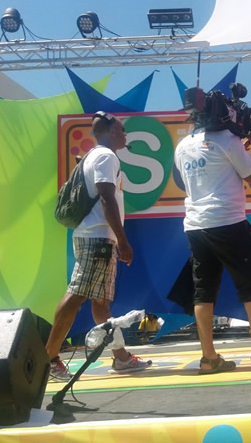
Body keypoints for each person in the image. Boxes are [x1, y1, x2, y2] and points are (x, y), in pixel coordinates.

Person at [174, 117, 251, 374]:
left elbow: (183, 181)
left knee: (204, 289)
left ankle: (209, 358)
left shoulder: (183, 145)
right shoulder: (227, 140)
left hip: (195, 225)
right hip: (227, 220)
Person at [46, 111, 152, 382]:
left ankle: (121, 358)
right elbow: (106, 197)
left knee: (100, 303)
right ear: (112, 132)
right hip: (98, 238)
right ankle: (49, 359)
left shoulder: (93, 156)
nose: (125, 135)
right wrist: (123, 241)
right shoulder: (106, 157)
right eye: (122, 130)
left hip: (96, 236)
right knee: (77, 294)